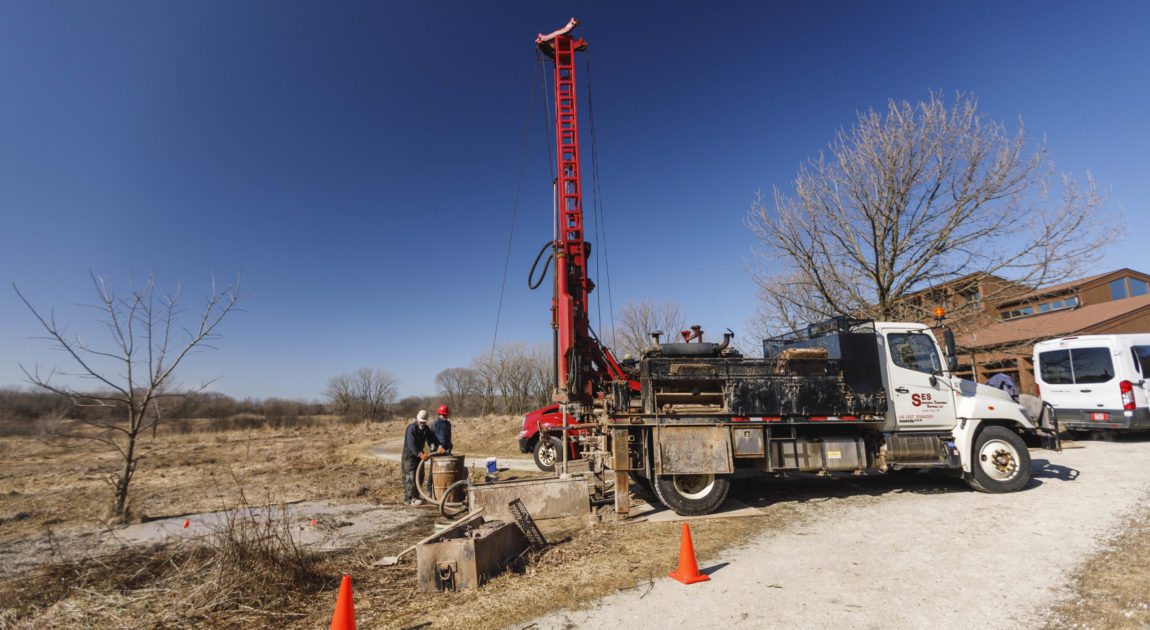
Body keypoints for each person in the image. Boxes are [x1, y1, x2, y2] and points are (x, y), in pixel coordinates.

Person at [402, 410, 440, 505]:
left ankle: (416, 496)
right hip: (410, 456)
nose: (422, 423)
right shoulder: (411, 429)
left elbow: (433, 438)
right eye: (421, 422)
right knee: (410, 477)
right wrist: (420, 454)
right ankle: (409, 499)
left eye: (424, 422)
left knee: (420, 476)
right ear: (417, 419)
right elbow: (411, 444)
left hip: (419, 456)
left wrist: (439, 446)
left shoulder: (425, 429)